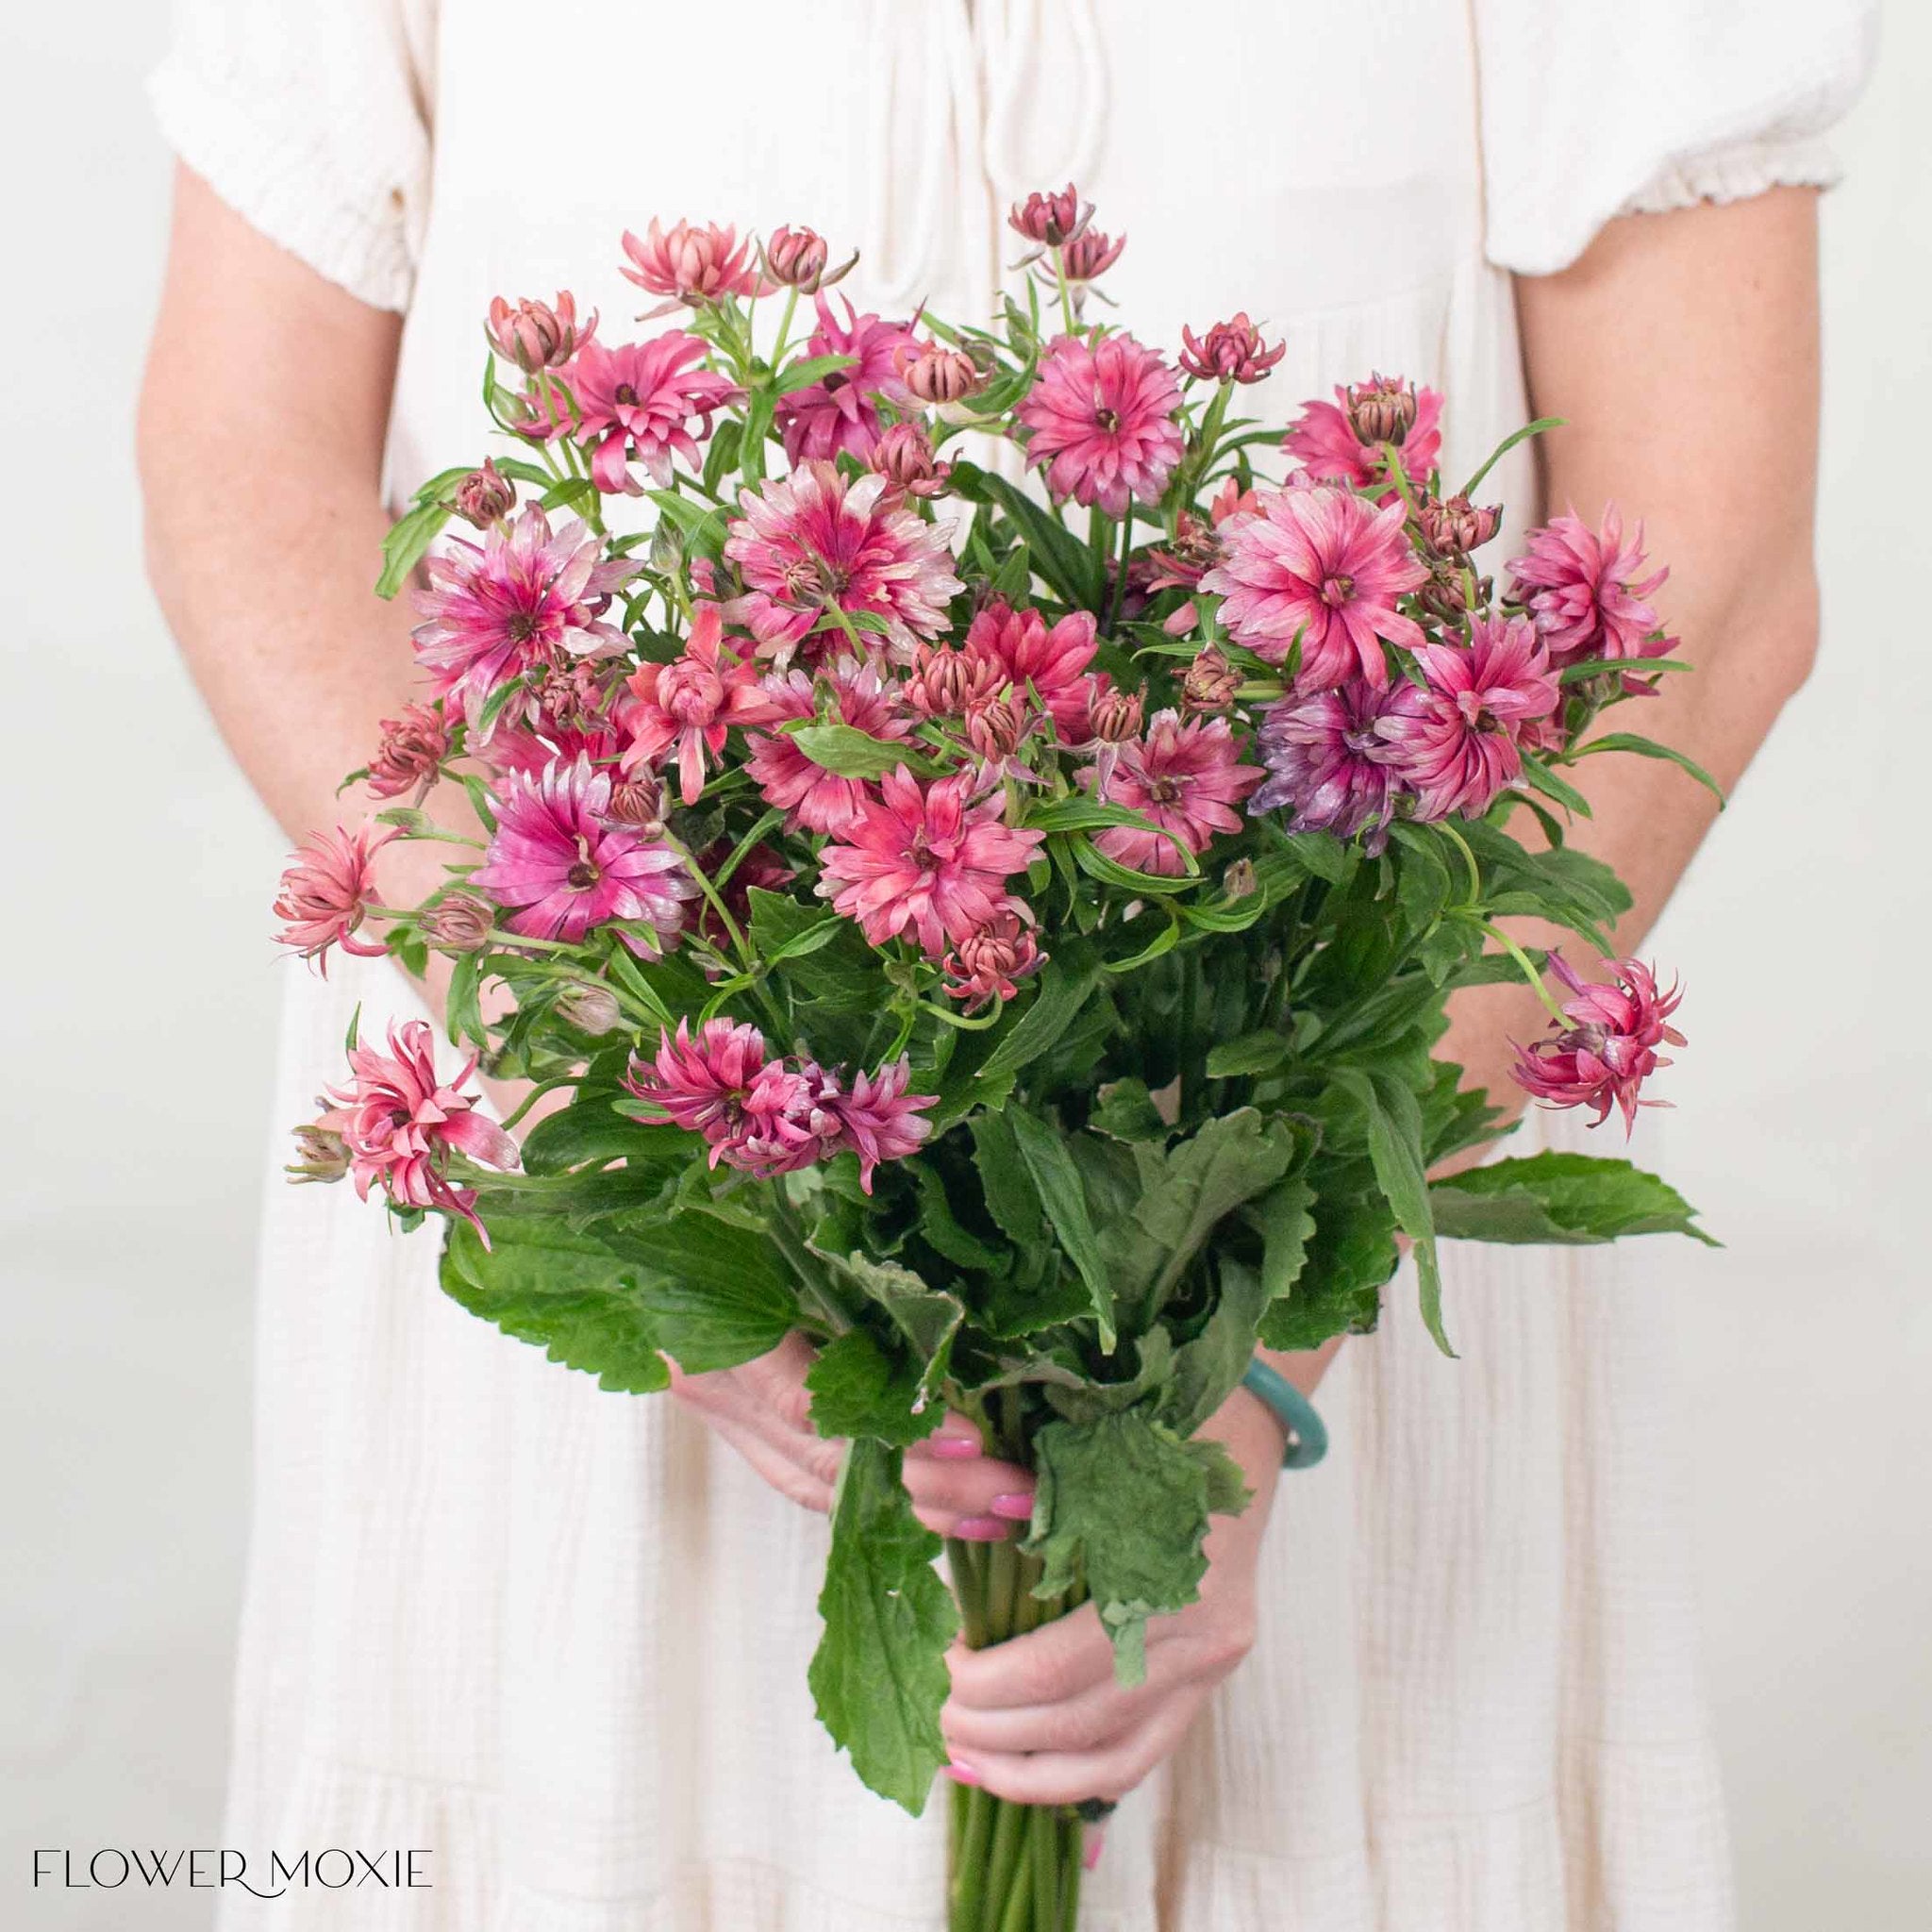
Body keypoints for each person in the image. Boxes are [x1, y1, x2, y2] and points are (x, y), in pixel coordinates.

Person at [139, 3, 1874, 1925]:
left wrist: (1244, 1366)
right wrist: (656, 1183)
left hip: (1324, 1198)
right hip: (628, 1185)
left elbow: (1705, 579)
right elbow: (247, 471)